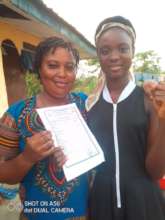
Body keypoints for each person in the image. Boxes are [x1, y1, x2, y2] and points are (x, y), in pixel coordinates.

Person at [0, 36, 88, 220]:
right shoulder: (15, 115)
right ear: (39, 68)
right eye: (53, 65)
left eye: (70, 67)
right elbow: (3, 173)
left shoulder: (86, 106)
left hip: (82, 214)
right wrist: (27, 158)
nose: (62, 74)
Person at [86, 16, 165, 220]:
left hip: (144, 203)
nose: (114, 57)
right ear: (98, 54)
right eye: (105, 50)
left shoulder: (148, 99)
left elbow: (156, 172)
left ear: (133, 51)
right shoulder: (89, 105)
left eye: (123, 48)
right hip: (101, 203)